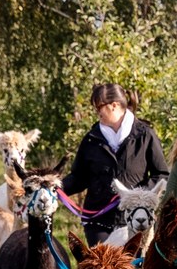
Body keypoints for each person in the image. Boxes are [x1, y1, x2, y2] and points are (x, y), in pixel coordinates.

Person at [60, 83, 168, 244]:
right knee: (103, 268)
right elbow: (78, 177)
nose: (97, 113)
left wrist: (137, 196)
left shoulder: (145, 135)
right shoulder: (91, 139)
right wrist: (55, 188)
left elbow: (162, 174)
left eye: (99, 108)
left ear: (114, 106)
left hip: (135, 220)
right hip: (98, 222)